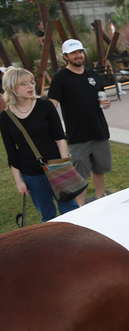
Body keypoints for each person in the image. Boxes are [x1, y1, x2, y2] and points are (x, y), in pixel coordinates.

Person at [1, 68, 79, 221]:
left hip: (56, 166)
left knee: (70, 211)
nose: (31, 86)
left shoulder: (45, 106)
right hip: (31, 174)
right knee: (48, 216)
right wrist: (18, 181)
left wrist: (64, 165)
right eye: (24, 84)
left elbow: (60, 138)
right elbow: (11, 152)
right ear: (11, 87)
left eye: (31, 82)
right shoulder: (5, 117)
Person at [46, 39, 112, 206]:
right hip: (77, 135)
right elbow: (51, 106)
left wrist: (107, 103)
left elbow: (101, 97)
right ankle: (81, 207)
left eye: (80, 51)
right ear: (65, 56)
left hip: (99, 131)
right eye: (73, 53)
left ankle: (100, 198)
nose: (78, 55)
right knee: (79, 175)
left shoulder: (93, 75)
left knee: (99, 168)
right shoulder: (60, 78)